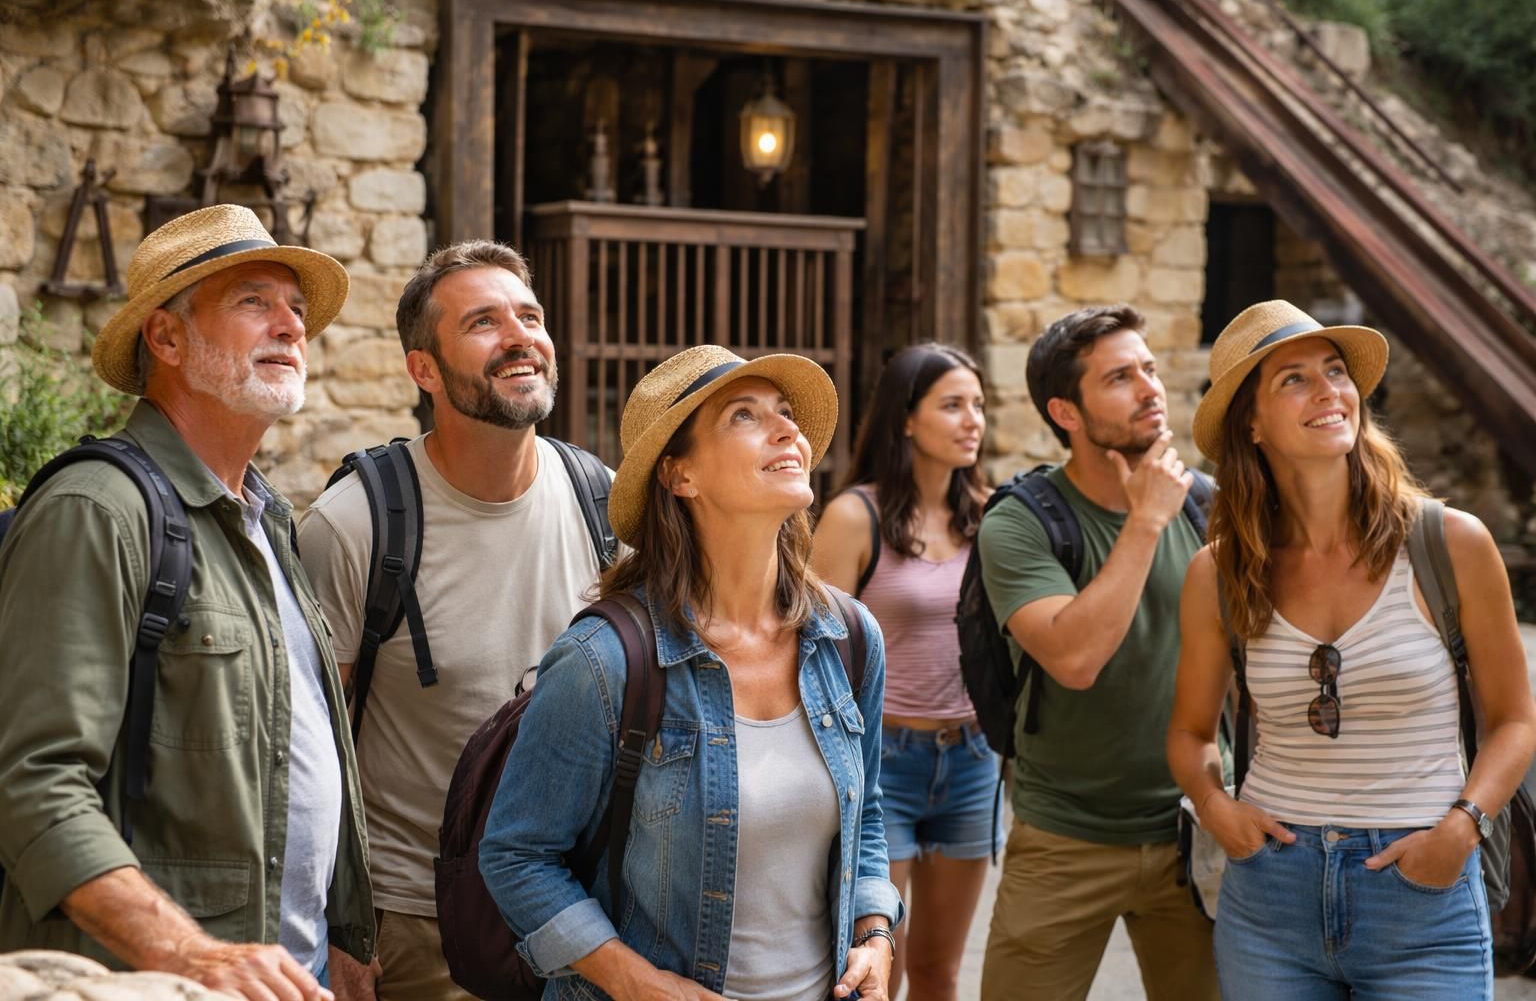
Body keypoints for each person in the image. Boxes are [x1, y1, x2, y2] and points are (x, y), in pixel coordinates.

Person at [0, 204, 373, 1000]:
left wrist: (344, 940)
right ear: (165, 340)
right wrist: (192, 955)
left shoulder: (270, 520)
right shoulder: (96, 510)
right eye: (253, 303)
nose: (290, 327)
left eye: (297, 310)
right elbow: (35, 786)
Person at [478, 345, 903, 1000]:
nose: (788, 429)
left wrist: (876, 934)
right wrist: (639, 985)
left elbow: (866, 814)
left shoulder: (848, 637)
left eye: (785, 413)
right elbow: (517, 855)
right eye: (745, 415)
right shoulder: (606, 659)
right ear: (680, 476)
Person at [1167, 300, 1536, 999]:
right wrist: (1216, 809)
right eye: (1293, 380)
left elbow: (1516, 721)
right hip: (1270, 897)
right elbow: (1189, 735)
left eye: (1335, 372)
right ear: (1251, 422)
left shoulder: (1449, 543)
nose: (1329, 391)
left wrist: (1461, 828)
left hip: (1420, 890)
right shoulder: (1218, 571)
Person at [299, 240, 610, 1001]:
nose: (519, 336)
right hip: (416, 922)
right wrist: (341, 926)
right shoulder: (355, 525)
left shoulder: (599, 498)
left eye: (529, 316)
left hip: (578, 910)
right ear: (424, 370)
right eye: (483, 322)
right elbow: (310, 748)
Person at [977, 304, 1219, 1001]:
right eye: (1120, 377)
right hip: (1064, 838)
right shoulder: (1022, 522)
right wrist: (1144, 523)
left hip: (1195, 830)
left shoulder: (1206, 506)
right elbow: (1075, 659)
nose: (1150, 389)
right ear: (1067, 412)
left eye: (1148, 369)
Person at [811, 342, 995, 1001]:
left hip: (972, 762)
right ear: (907, 418)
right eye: (952, 405)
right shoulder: (853, 515)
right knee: (872, 970)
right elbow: (815, 653)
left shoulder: (990, 514)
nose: (972, 419)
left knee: (943, 971)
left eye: (978, 405)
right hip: (882, 759)